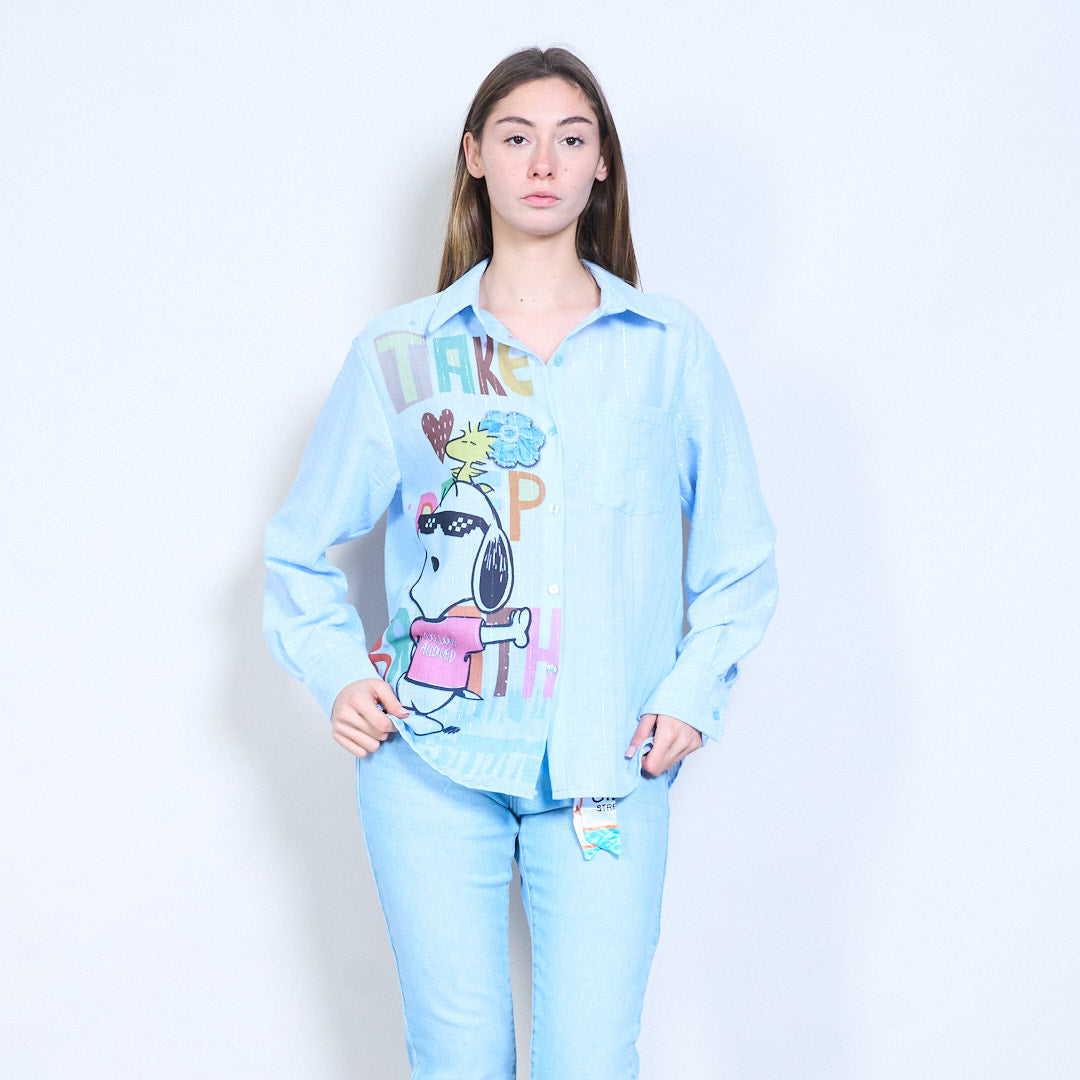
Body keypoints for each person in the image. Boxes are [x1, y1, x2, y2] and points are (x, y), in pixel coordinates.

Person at [263, 45, 777, 1080]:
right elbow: (299, 548)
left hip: (609, 762)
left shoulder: (666, 348)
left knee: (591, 1059)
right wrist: (339, 674)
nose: (543, 161)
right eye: (516, 137)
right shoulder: (400, 355)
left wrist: (693, 692)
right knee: (456, 1059)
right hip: (426, 760)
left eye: (571, 138)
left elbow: (740, 555)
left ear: (600, 165)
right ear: (474, 157)